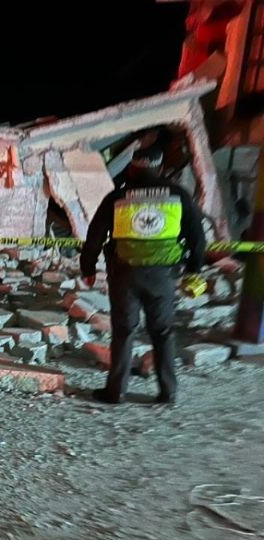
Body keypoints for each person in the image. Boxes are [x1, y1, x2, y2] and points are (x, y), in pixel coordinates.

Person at [80, 141, 206, 405]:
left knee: (124, 331)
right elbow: (197, 236)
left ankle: (116, 392)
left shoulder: (117, 197)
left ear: (132, 170)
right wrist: (194, 269)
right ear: (160, 168)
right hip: (163, 275)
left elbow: (94, 236)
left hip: (124, 273)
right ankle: (168, 392)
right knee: (163, 332)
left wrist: (88, 268)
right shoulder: (178, 194)